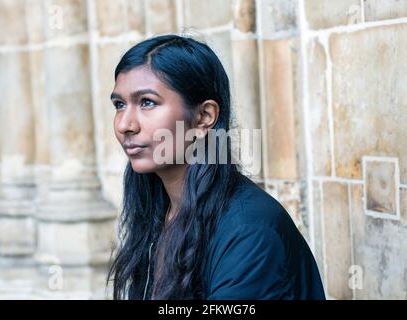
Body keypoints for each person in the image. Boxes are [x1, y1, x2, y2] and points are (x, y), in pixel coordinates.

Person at [107, 34, 325, 300]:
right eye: (120, 104)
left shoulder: (250, 229)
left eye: (147, 102)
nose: (124, 125)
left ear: (203, 117)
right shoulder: (157, 209)